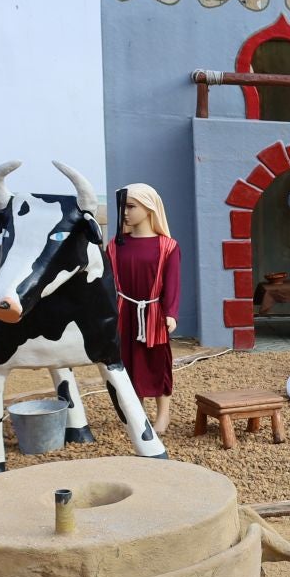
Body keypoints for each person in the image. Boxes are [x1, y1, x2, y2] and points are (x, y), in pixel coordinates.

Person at [107, 184, 182, 435]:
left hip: (153, 314)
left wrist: (170, 313)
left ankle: (163, 414)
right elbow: (107, 282)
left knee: (157, 362)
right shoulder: (115, 246)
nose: (125, 213)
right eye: (123, 207)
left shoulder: (168, 246)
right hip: (123, 313)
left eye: (131, 206)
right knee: (127, 362)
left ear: (149, 208)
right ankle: (136, 412)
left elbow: (172, 283)